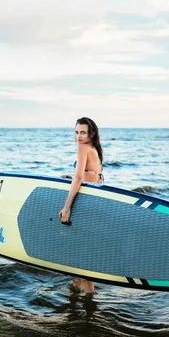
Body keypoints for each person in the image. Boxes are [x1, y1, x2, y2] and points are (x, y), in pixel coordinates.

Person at [59, 117, 104, 295]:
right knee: (84, 246)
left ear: (91, 133)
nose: (78, 136)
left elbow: (80, 177)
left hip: (84, 203)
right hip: (93, 201)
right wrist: (74, 179)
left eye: (82, 132)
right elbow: (92, 176)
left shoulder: (83, 147)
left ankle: (86, 290)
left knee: (78, 246)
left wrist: (67, 206)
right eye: (76, 132)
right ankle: (82, 285)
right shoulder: (95, 149)